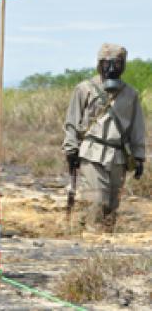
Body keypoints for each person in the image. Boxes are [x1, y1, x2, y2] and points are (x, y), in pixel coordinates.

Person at [62, 43, 146, 232]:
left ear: (123, 65)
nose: (111, 69)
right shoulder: (85, 89)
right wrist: (71, 148)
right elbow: (72, 121)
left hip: (118, 155)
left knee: (111, 204)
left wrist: (139, 157)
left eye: (116, 64)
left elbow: (137, 128)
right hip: (92, 152)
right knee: (97, 199)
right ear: (99, 64)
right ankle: (92, 235)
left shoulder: (130, 94)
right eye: (106, 63)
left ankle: (104, 239)